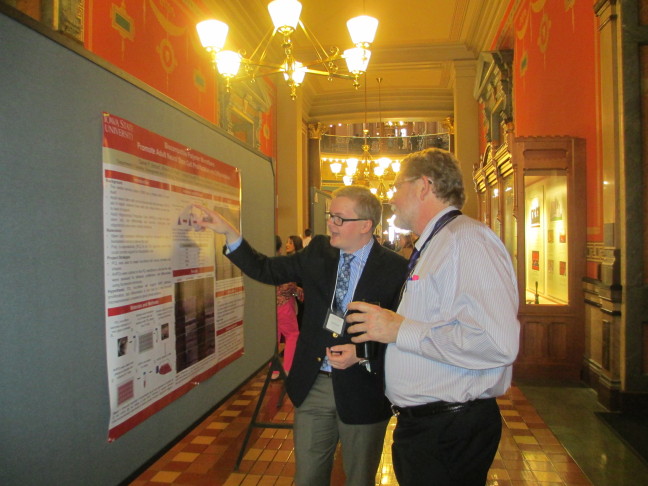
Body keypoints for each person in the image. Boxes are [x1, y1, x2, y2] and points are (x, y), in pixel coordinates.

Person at [194, 186, 408, 486]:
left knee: (360, 478)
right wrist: (230, 234)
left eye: (339, 218)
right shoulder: (319, 251)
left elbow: (406, 331)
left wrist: (362, 353)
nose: (331, 223)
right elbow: (266, 269)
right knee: (307, 477)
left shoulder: (396, 269)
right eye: (330, 216)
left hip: (364, 388)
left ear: (365, 225)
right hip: (315, 383)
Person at [346, 148, 520, 486]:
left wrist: (399, 330)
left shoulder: (466, 241)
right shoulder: (439, 243)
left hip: (448, 430)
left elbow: (495, 343)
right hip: (430, 427)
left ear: (424, 186)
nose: (391, 198)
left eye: (397, 186)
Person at [273, 235, 302, 379]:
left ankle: (274, 371)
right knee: (292, 335)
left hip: (271, 306)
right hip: (284, 305)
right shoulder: (280, 263)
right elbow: (287, 286)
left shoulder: (264, 262)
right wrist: (297, 289)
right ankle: (287, 368)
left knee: (275, 337)